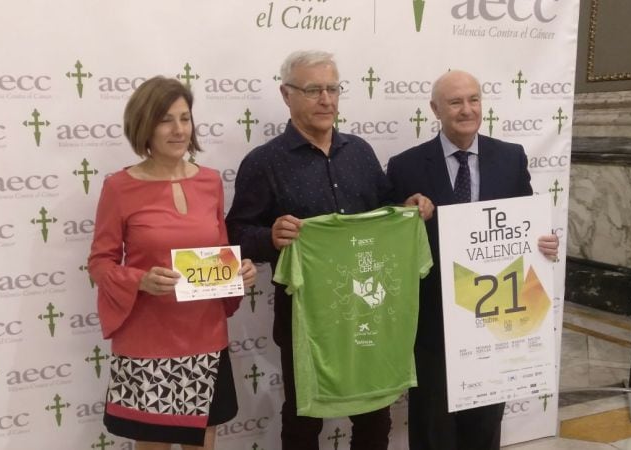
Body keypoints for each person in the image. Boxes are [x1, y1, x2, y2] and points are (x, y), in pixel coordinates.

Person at [225, 50, 433, 450]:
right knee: (304, 417)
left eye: (333, 88)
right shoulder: (263, 162)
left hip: (368, 308)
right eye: (313, 90)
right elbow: (235, 234)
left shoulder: (360, 152)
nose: (326, 100)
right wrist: (270, 236)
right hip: (304, 317)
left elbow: (384, 212)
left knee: (375, 414)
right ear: (286, 95)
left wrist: (408, 211)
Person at [386, 70, 559, 450]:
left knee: (485, 424)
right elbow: (387, 238)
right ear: (435, 109)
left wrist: (545, 243)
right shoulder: (405, 166)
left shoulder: (510, 157)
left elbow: (525, 225)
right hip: (433, 320)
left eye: (474, 99)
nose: (467, 110)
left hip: (496, 316)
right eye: (455, 102)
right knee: (433, 425)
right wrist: (404, 211)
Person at [87, 76, 257, 450]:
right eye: (166, 119)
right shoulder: (119, 187)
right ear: (144, 125)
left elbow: (220, 250)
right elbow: (100, 261)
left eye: (185, 118)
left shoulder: (211, 181)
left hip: (206, 337)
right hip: (147, 342)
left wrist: (239, 271)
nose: (179, 129)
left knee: (203, 441)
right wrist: (138, 280)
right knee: (153, 444)